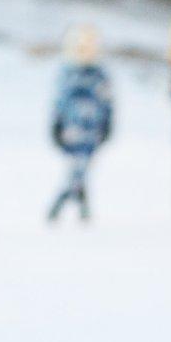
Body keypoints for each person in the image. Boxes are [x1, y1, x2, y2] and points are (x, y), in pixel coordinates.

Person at [47, 25, 114, 223]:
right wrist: (57, 124)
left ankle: (70, 200)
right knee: (76, 166)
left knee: (82, 166)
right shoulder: (67, 73)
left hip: (91, 130)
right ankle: (72, 200)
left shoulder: (99, 75)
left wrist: (108, 125)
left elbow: (106, 102)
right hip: (72, 129)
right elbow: (59, 102)